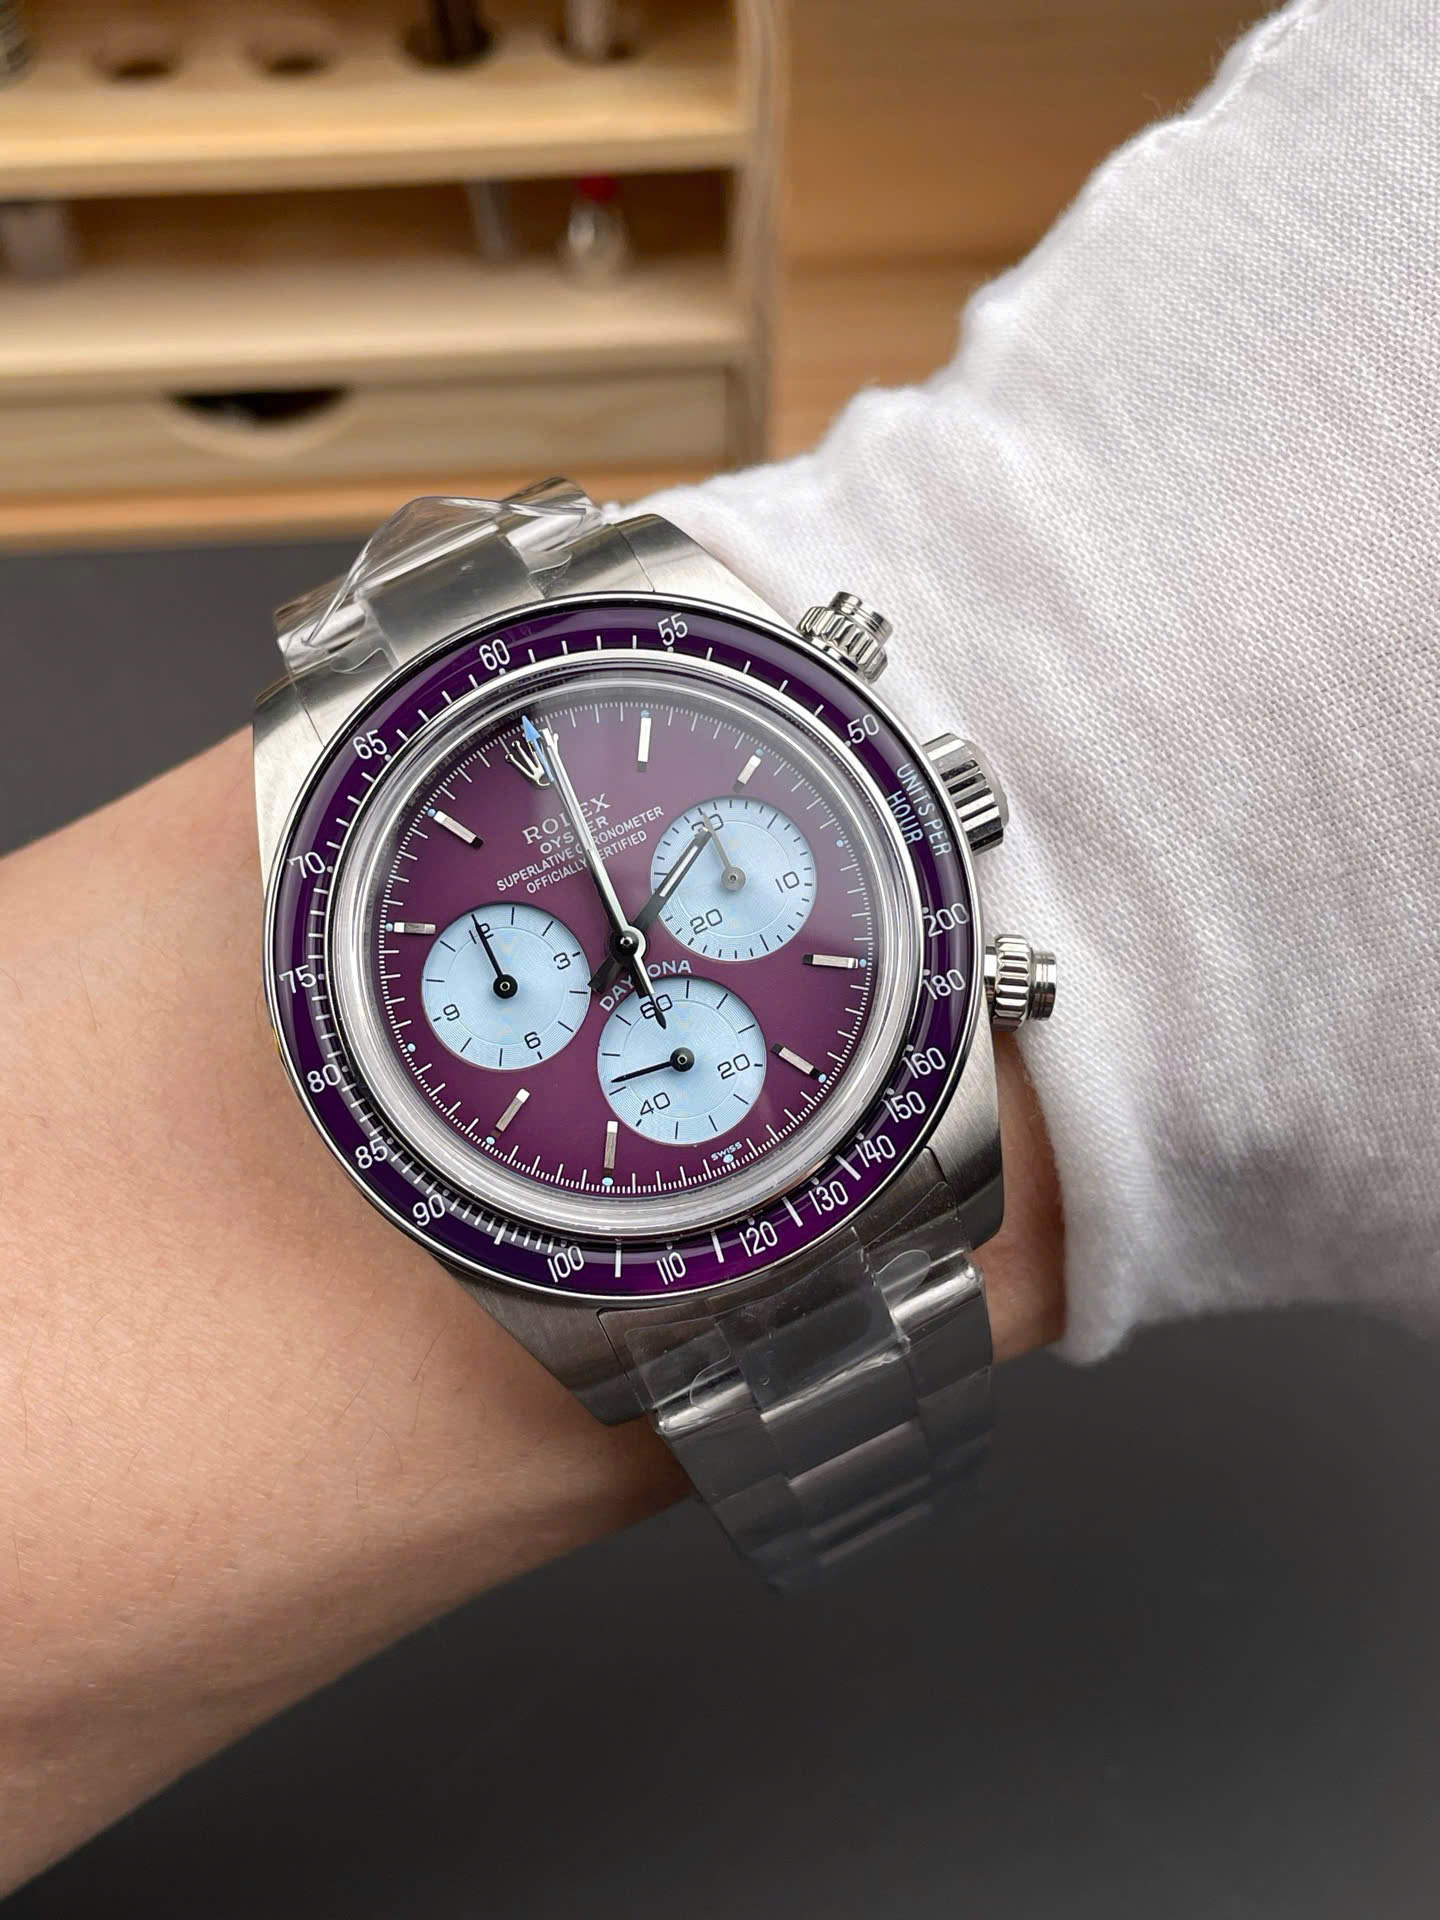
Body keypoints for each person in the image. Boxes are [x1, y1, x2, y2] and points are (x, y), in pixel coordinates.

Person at [2, 0, 1436, 1891]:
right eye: (537, 971)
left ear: (930, 802)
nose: (615, 952)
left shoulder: (875, 869)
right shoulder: (421, 971)